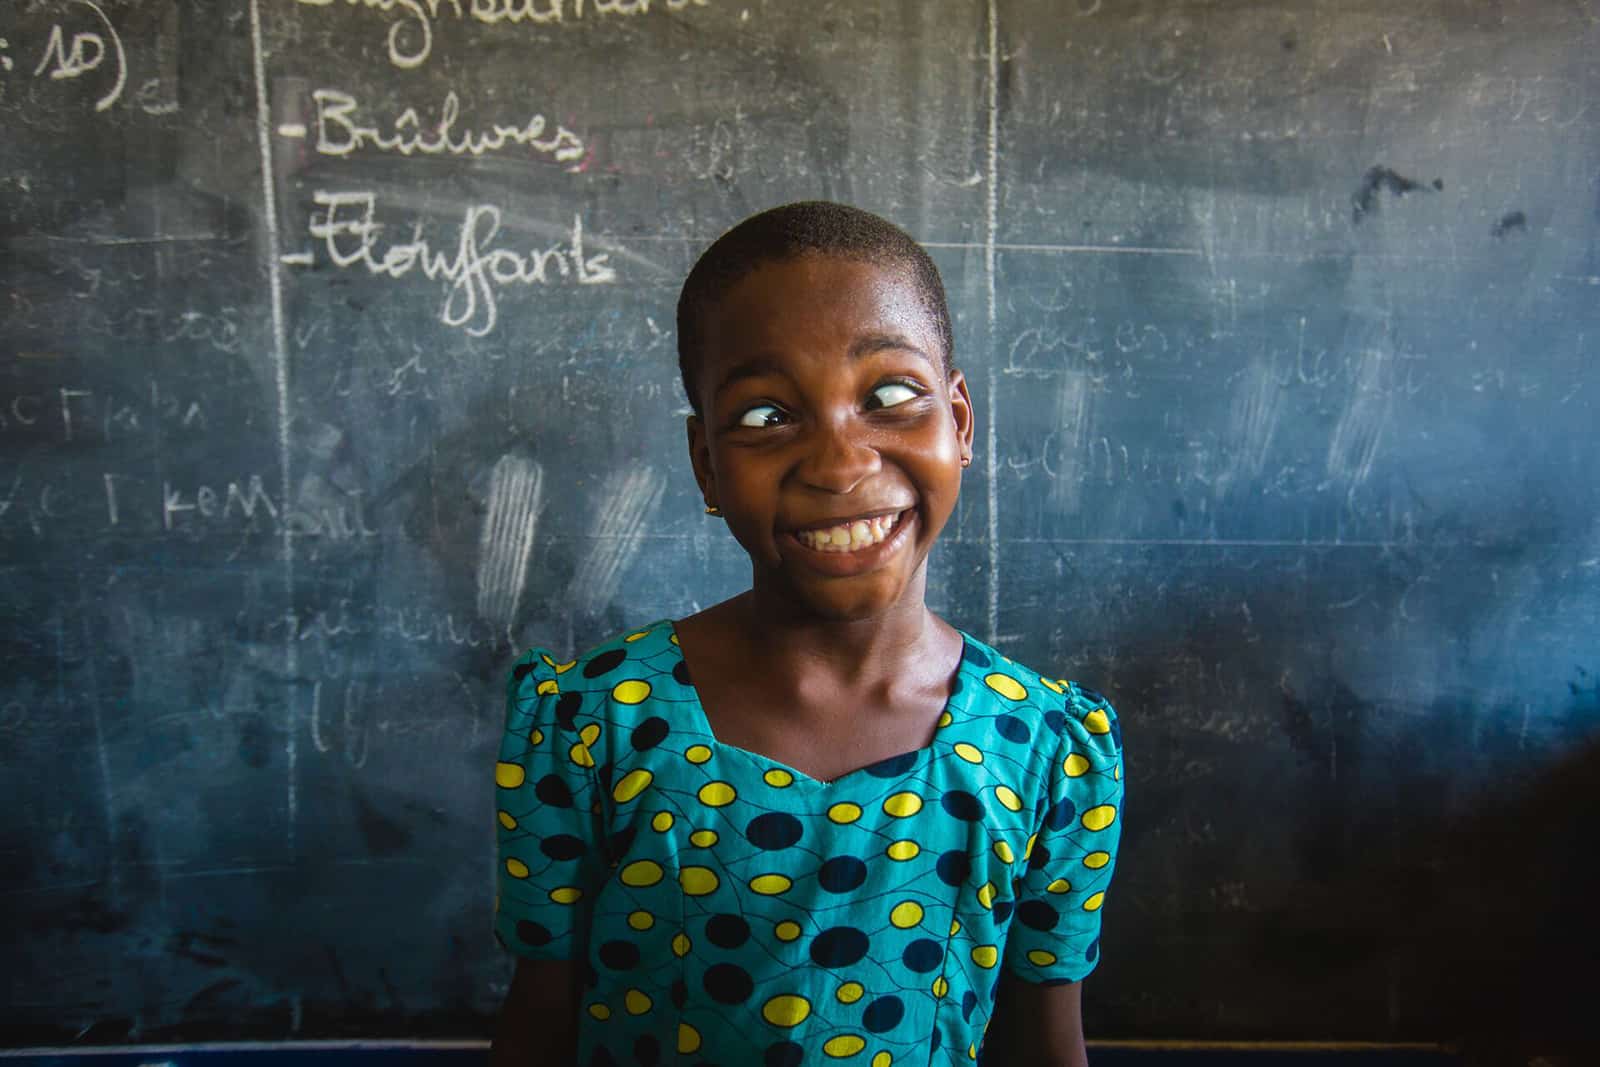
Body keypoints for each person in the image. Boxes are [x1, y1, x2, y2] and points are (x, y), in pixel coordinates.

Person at [490, 202, 1124, 1066]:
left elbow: (1045, 1047)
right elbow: (538, 1028)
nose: (838, 463)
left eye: (891, 396)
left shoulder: (1047, 750)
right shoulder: (591, 725)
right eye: (765, 417)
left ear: (960, 422)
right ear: (707, 463)